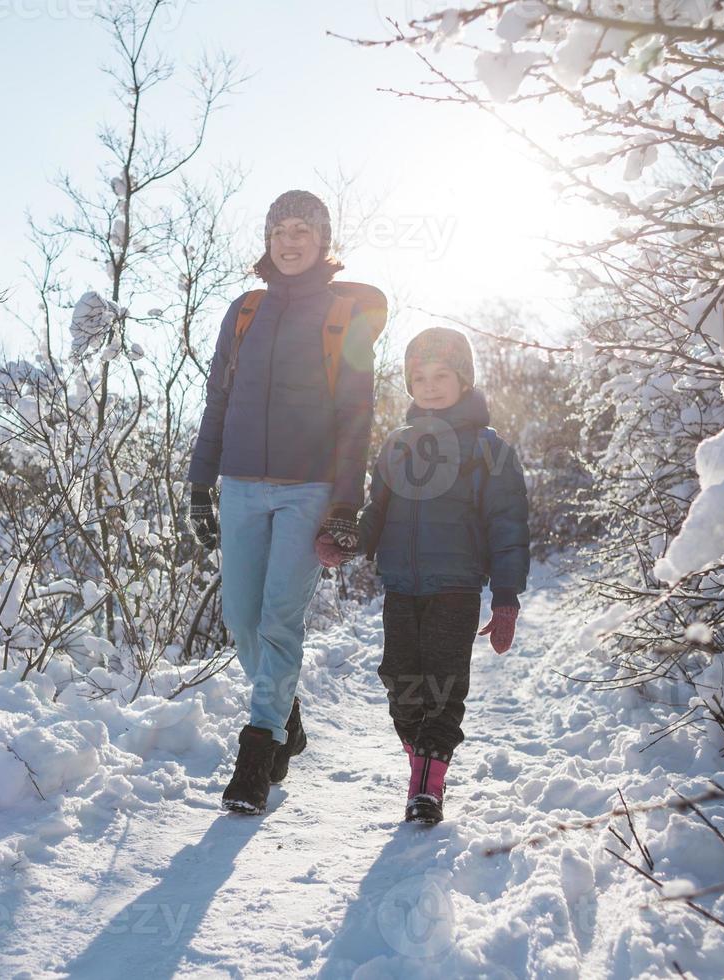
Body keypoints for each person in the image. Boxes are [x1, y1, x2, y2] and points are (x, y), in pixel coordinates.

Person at [187, 189, 376, 815]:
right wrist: (199, 482)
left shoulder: (344, 316)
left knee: (278, 619)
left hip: (309, 489)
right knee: (241, 618)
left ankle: (259, 750)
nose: (289, 241)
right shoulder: (244, 311)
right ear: (267, 241)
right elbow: (218, 400)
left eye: (302, 229)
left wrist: (347, 504)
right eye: (279, 230)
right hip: (240, 483)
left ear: (323, 240)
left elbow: (356, 416)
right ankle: (285, 713)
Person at [323, 326, 529, 825]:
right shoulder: (397, 444)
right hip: (400, 585)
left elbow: (508, 525)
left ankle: (427, 786)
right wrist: (352, 540)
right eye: (420, 376)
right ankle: (421, 765)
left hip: (456, 587)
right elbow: (379, 509)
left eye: (442, 375)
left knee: (443, 685)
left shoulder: (489, 448)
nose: (431, 385)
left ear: (464, 380)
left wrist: (506, 597)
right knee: (400, 681)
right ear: (409, 384)